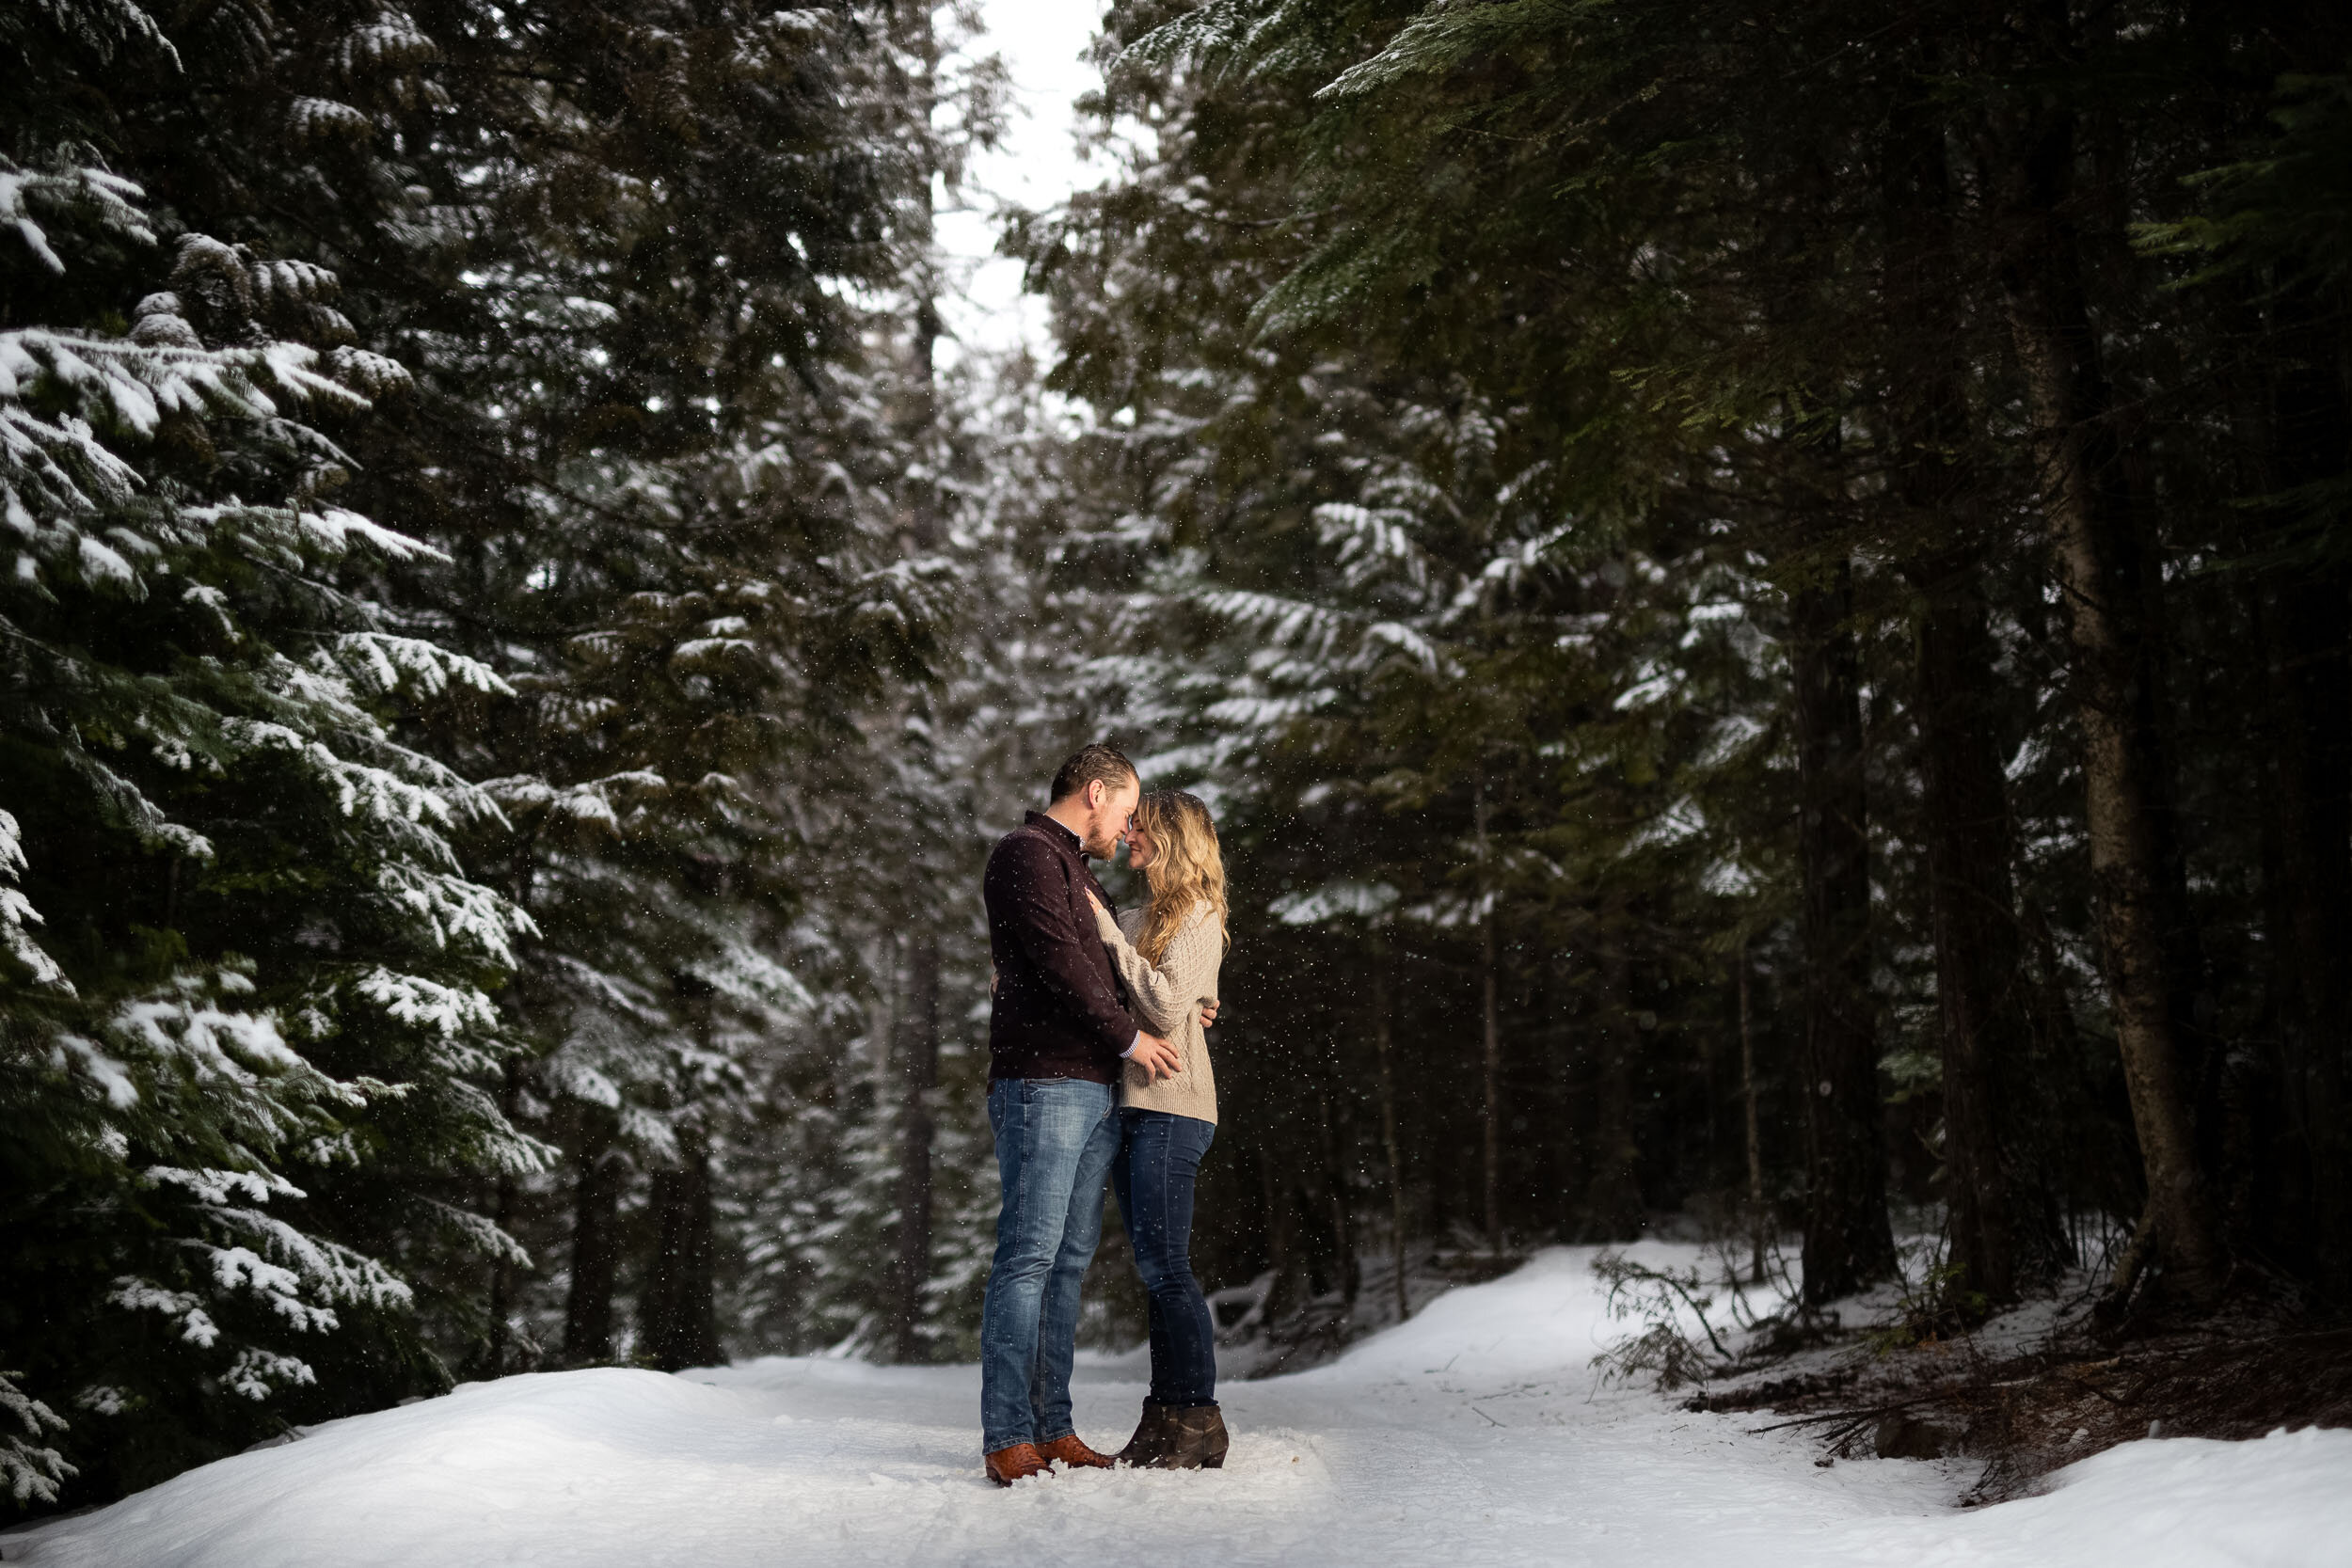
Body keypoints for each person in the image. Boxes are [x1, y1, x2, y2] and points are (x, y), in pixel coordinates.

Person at [977, 744, 1183, 1486]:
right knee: (1029, 1254)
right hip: (1043, 1083)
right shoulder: (1026, 854)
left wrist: (1185, 1008)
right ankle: (1007, 1433)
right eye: (1126, 810)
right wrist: (1132, 1037)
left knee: (1066, 1262)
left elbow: (1104, 965)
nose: (1126, 828)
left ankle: (1051, 1425)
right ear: (1095, 792)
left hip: (1092, 1083)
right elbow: (1064, 962)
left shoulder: (1074, 866)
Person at [1088, 789, 1232, 1470]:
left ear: (1172, 837)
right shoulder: (1141, 913)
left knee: (1167, 1264)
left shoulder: (1199, 912)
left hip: (1175, 1107)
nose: (1131, 833)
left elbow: (1167, 1000)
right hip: (1134, 1105)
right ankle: (1166, 1412)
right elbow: (1123, 992)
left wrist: (1113, 937)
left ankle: (1200, 1415)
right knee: (1154, 1267)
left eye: (1142, 826)